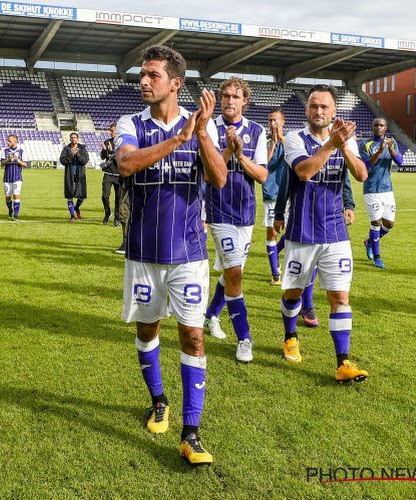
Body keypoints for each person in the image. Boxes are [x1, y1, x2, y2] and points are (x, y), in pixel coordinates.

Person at [116, 45, 227, 466]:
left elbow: (218, 179)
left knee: (193, 335)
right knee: (147, 332)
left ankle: (192, 432)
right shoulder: (131, 123)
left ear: (175, 83)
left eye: (152, 75)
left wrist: (197, 134)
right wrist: (176, 140)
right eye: (142, 75)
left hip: (189, 255)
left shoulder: (201, 127)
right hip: (143, 252)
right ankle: (158, 400)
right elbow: (126, 164)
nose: (143, 81)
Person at [280, 84, 369, 383]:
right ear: (307, 110)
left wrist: (343, 145)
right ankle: (290, 336)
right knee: (293, 293)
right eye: (314, 106)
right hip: (302, 232)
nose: (319, 111)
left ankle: (343, 362)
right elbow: (304, 171)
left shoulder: (346, 139)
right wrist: (332, 143)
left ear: (334, 111)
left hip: (335, 232)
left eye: (325, 107)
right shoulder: (294, 138)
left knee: (340, 296)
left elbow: (360, 174)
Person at [202, 77, 268, 363]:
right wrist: (228, 149)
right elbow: (207, 173)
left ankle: (210, 316)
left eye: (235, 96)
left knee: (231, 272)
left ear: (245, 101)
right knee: (235, 274)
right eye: (225, 95)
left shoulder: (257, 130)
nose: (230, 101)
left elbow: (262, 175)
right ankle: (245, 339)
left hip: (246, 213)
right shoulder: (208, 127)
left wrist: (240, 155)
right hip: (219, 211)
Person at [274, 147, 358, 329]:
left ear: (334, 115)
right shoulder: (297, 141)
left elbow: (346, 176)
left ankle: (309, 306)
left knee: (341, 297)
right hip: (302, 221)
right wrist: (279, 212)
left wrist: (349, 203)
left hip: (333, 227)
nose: (320, 115)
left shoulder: (343, 142)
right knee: (295, 288)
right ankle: (291, 332)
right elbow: (289, 179)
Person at [359, 118, 403, 269]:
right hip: (371, 189)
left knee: (389, 224)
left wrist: (390, 150)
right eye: (376, 125)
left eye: (381, 125)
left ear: (386, 128)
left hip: (387, 190)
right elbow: (366, 165)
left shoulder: (392, 143)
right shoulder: (365, 144)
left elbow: (400, 162)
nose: (378, 127)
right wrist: (379, 151)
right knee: (376, 222)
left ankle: (369, 242)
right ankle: (377, 257)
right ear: (372, 127)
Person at [263, 109, 288, 286]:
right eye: (270, 120)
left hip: (290, 193)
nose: (273, 124)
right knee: (272, 233)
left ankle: (276, 254)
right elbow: (263, 163)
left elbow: (294, 156)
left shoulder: (291, 141)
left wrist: (281, 139)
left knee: (293, 232)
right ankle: (275, 273)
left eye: (276, 121)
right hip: (272, 193)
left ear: (283, 122)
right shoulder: (263, 142)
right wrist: (272, 143)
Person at [60, 132, 89, 222]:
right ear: (70, 139)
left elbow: (85, 160)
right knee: (70, 195)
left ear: (77, 138)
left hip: (80, 176)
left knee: (82, 196)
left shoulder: (82, 148)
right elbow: (62, 160)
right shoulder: (66, 149)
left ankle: (76, 207)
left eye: (75, 137)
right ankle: (72, 216)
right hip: (70, 176)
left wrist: (77, 154)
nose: (73, 139)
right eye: (72, 137)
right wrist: (71, 156)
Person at [1, 134, 27, 221]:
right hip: (7, 177)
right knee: (8, 197)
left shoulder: (21, 151)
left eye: (9, 140)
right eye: (8, 140)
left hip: (17, 177)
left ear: (15, 141)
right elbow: (1, 163)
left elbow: (26, 164)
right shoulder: (5, 151)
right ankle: (10, 209)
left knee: (16, 195)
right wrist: (8, 159)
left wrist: (18, 160)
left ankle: (16, 216)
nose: (8, 142)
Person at [100, 122, 120, 226]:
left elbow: (122, 158)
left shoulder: (122, 142)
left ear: (117, 130)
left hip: (119, 174)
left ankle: (117, 217)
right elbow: (103, 157)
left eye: (112, 130)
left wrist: (112, 153)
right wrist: (104, 150)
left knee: (118, 197)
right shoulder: (107, 142)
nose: (110, 132)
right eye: (110, 130)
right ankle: (107, 213)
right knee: (105, 196)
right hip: (108, 173)